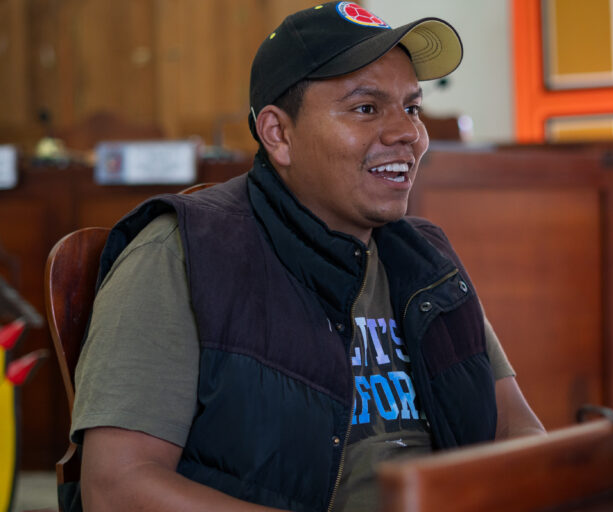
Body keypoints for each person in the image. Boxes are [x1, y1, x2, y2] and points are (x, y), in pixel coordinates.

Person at [69, 2, 545, 511]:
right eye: (366, 108)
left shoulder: (427, 258)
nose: (408, 133)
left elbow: (515, 427)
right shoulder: (180, 254)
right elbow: (117, 487)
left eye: (411, 107)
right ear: (278, 134)